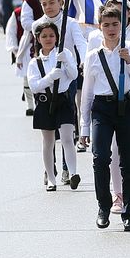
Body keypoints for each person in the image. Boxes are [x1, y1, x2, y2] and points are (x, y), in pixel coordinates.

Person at [80, 5, 130, 231]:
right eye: (106, 25)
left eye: (115, 24)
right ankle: (103, 207)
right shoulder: (93, 56)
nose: (111, 29)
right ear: (100, 27)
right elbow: (86, 93)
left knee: (128, 163)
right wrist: (84, 128)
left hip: (126, 106)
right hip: (102, 109)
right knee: (100, 158)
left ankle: (129, 213)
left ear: (122, 25)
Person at [27, 21, 81, 192]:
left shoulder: (63, 54)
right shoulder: (34, 63)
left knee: (67, 137)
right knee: (48, 141)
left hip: (63, 101)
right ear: (38, 39)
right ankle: (51, 178)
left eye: (51, 35)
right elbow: (35, 86)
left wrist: (67, 62)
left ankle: (73, 173)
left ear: (57, 37)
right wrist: (50, 77)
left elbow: (73, 76)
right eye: (44, 36)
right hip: (45, 103)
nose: (48, 39)